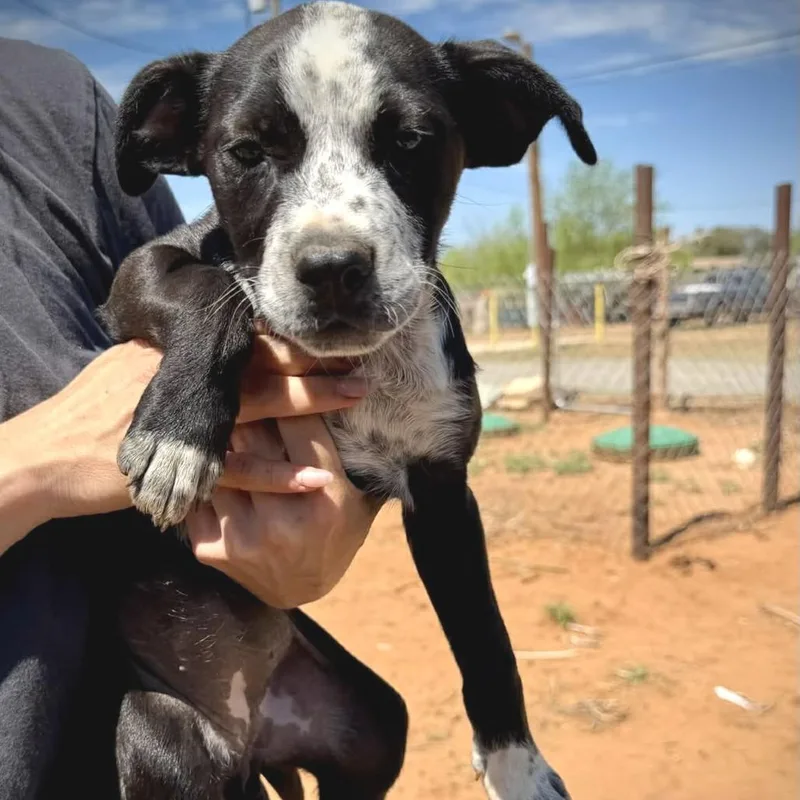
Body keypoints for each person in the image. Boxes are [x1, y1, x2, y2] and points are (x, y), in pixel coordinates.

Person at [0, 37, 377, 798]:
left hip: (209, 666)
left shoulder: (46, 94)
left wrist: (331, 517)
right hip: (113, 741)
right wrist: (30, 468)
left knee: (376, 734)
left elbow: (185, 281)